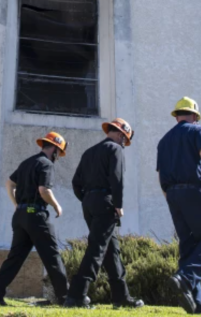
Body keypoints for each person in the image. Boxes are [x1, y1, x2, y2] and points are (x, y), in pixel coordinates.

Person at [157, 97, 201, 316]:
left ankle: (198, 306)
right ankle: (185, 278)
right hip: (194, 191)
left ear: (176, 115)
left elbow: (161, 175)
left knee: (188, 245)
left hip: (172, 195)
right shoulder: (197, 131)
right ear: (195, 116)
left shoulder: (164, 141)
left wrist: (170, 198)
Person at [64, 118, 145, 309]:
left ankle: (121, 297)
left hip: (89, 203)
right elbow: (117, 178)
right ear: (119, 133)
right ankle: (75, 296)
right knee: (97, 249)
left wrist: (86, 200)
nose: (124, 143)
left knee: (111, 251)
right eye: (124, 139)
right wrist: (118, 204)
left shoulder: (89, 152)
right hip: (106, 203)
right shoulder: (115, 149)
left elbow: (76, 183)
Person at [0, 132, 70, 307]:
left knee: (14, 258)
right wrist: (56, 205)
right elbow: (44, 190)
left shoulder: (27, 162)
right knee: (52, 257)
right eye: (59, 153)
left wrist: (17, 204)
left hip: (20, 216)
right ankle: (66, 299)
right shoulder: (46, 164)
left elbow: (9, 183)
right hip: (37, 216)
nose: (58, 157)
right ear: (54, 149)